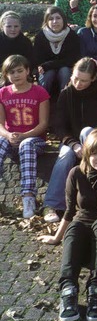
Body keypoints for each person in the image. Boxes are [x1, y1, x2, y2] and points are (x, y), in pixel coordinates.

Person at [37, 129, 97, 321]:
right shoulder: (76, 173)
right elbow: (70, 211)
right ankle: (68, 291)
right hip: (84, 238)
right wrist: (57, 237)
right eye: (94, 153)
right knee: (74, 227)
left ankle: (96, 290)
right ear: (87, 154)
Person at [42, 58, 97, 223]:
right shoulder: (66, 93)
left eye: (83, 80)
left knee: (88, 132)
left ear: (93, 78)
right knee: (65, 156)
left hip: (96, 140)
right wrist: (73, 145)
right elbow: (59, 126)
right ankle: (51, 205)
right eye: (75, 78)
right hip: (71, 141)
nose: (78, 83)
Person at [0, 55, 49, 219]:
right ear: (6, 75)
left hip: (34, 140)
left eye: (20, 71)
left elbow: (43, 124)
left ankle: (28, 197)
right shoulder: (2, 93)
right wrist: (8, 134)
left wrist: (24, 135)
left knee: (26, 144)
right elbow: (0, 125)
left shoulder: (39, 92)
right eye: (11, 72)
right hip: (11, 137)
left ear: (27, 70)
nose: (16, 75)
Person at [33, 6, 81, 95]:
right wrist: (47, 66)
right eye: (51, 19)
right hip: (47, 70)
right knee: (48, 74)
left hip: (65, 69)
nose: (55, 22)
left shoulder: (71, 35)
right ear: (46, 21)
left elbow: (72, 59)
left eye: (58, 18)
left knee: (65, 71)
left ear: (63, 20)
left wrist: (50, 64)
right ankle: (42, 101)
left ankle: (64, 101)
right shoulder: (40, 36)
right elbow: (38, 60)